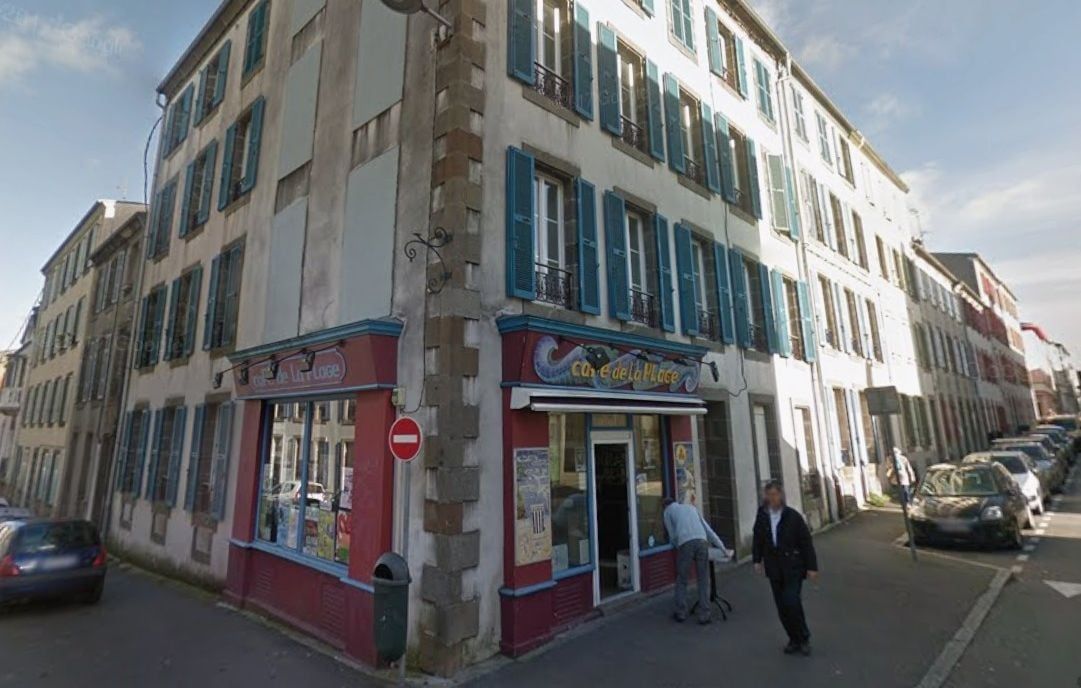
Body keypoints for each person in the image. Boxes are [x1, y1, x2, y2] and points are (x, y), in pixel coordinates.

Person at [752, 481, 819, 656]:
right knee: (781, 606)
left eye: (775, 495)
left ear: (781, 496)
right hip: (774, 567)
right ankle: (793, 638)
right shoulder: (762, 516)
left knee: (792, 601)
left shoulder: (792, 517)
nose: (772, 498)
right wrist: (757, 559)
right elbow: (758, 538)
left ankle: (803, 637)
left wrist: (812, 567)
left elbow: (805, 542)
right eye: (769, 495)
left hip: (793, 566)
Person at [663, 496, 728, 624]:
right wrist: (723, 548)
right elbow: (708, 530)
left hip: (685, 542)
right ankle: (705, 615)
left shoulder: (667, 512)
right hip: (702, 541)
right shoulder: (691, 508)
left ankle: (681, 612)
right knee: (703, 579)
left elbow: (672, 535)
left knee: (682, 579)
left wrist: (679, 547)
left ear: (665, 506)